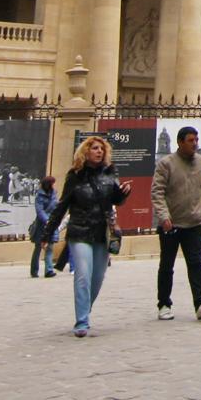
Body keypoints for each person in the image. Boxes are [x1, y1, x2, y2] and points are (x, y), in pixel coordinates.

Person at [43, 136, 131, 337]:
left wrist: (124, 193)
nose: (99, 152)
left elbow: (115, 200)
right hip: (80, 230)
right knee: (83, 274)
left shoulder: (110, 173)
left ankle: (85, 309)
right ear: (86, 151)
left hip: (102, 232)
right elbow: (62, 205)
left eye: (102, 148)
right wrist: (48, 232)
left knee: (97, 278)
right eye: (95, 148)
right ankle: (82, 320)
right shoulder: (75, 175)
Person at [152, 126, 201, 320]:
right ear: (180, 142)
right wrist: (164, 216)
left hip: (195, 222)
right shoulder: (166, 163)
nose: (195, 143)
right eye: (191, 140)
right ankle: (164, 304)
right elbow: (157, 192)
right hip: (170, 224)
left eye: (197, 140)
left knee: (196, 264)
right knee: (167, 265)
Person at [30, 175, 59, 278]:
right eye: (51, 183)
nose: (52, 185)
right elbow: (39, 210)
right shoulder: (39, 195)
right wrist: (46, 220)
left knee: (50, 247)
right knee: (38, 247)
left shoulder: (54, 194)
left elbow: (57, 206)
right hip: (41, 224)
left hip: (51, 223)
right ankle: (34, 270)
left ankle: (48, 270)